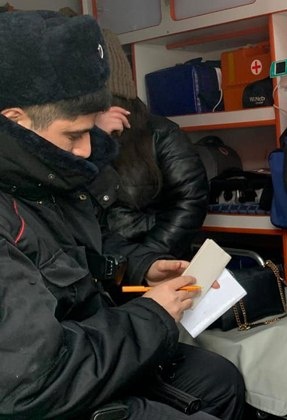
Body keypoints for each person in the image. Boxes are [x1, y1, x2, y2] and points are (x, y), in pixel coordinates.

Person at [0, 11, 245, 419]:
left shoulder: (45, 180)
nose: (85, 149)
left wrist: (142, 267)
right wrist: (152, 315)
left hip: (93, 346)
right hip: (51, 390)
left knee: (219, 380)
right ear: (15, 121)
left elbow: (85, 248)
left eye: (90, 131)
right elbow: (33, 382)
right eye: (73, 135)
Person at [95, 29, 210, 291]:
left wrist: (148, 258)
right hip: (97, 267)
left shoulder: (161, 133)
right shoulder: (78, 140)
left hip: (154, 266)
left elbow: (191, 200)